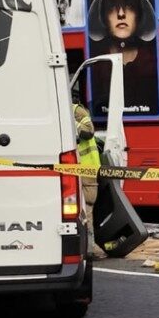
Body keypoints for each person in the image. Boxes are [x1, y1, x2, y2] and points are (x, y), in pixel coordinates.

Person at [87, 0, 159, 116]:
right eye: (112, 5)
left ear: (140, 13)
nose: (121, 13)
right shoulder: (93, 63)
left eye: (129, 4)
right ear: (102, 14)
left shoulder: (154, 61)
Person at [73, 98, 101, 253]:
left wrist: (70, 122)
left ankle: (89, 247)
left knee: (87, 206)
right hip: (70, 169)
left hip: (86, 170)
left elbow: (89, 132)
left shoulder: (76, 111)